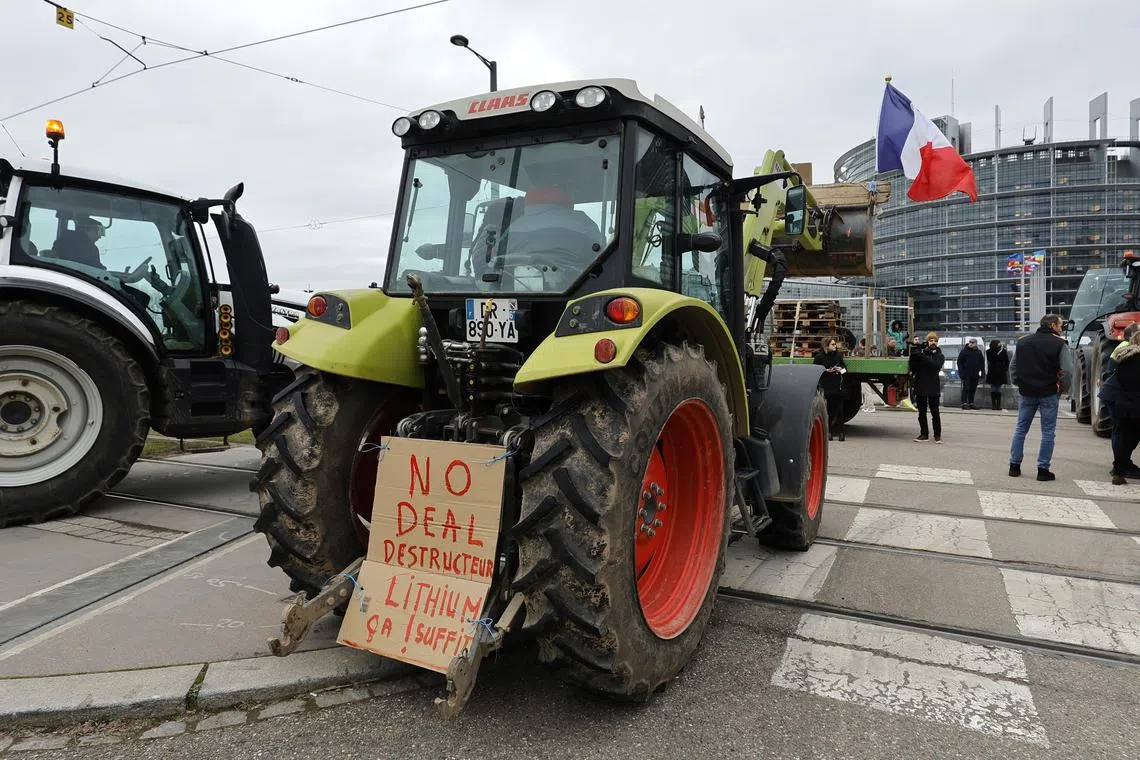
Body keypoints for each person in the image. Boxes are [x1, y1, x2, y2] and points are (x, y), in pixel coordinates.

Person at [1008, 314, 1074, 481]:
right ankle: (1043, 470)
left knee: (1021, 429)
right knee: (1048, 432)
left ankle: (1014, 466)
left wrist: (1019, 383)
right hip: (1049, 393)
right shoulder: (1059, 343)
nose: (1061, 328)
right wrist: (1062, 389)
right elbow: (1068, 370)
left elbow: (1013, 367)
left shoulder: (1023, 341)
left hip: (1027, 392)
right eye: (1060, 325)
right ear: (1052, 325)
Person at [1097, 322, 1140, 473]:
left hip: (1118, 395)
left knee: (1124, 432)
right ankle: (1120, 466)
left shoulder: (1125, 351)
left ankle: (1121, 464)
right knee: (1124, 432)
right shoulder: (1129, 353)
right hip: (1120, 396)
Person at [1109, 331, 1140, 484]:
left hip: (1122, 403)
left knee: (1124, 440)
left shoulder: (1123, 360)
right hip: (1137, 405)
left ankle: (1119, 471)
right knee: (1130, 440)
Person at [909, 331, 945, 442]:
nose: (933, 342)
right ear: (927, 342)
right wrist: (914, 355)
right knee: (922, 412)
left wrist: (922, 355)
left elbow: (935, 366)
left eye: (935, 341)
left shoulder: (940, 355)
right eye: (931, 340)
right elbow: (913, 368)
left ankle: (937, 435)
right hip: (921, 385)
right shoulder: (922, 353)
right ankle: (924, 434)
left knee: (935, 412)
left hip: (933, 387)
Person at [813, 337, 847, 441]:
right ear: (826, 346)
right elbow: (815, 371)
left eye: (835, 344)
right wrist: (826, 371)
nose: (835, 346)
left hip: (838, 387)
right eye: (832, 344)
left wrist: (840, 370)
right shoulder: (820, 357)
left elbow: (845, 370)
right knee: (828, 411)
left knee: (840, 411)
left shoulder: (838, 356)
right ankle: (829, 432)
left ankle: (842, 433)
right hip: (827, 387)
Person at [956, 337, 986, 409]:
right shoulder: (964, 351)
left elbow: (982, 362)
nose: (971, 344)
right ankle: (964, 403)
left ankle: (971, 403)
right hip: (966, 373)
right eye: (970, 342)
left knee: (973, 389)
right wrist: (961, 373)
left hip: (975, 373)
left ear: (976, 344)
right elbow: (959, 362)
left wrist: (982, 372)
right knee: (966, 388)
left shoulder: (978, 352)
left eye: (973, 343)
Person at [985, 339, 1010, 410]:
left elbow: (1007, 361)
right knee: (993, 387)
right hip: (992, 371)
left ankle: (998, 405)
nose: (1000, 344)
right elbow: (989, 360)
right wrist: (995, 353)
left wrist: (1004, 369)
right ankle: (994, 405)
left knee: (998, 388)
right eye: (998, 343)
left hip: (1000, 372)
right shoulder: (989, 351)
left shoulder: (1003, 351)